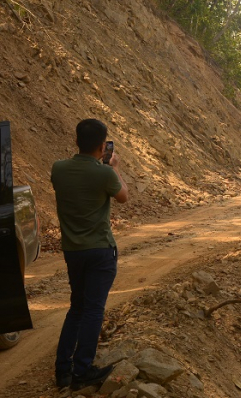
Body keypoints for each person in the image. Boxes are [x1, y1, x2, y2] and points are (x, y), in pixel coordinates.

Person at [51, 119, 128, 390]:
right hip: (100, 251)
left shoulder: (58, 169)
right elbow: (123, 197)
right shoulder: (105, 173)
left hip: (73, 251)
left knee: (77, 307)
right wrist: (114, 167)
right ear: (102, 146)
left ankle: (63, 371)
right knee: (94, 310)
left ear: (76, 142)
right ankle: (82, 370)